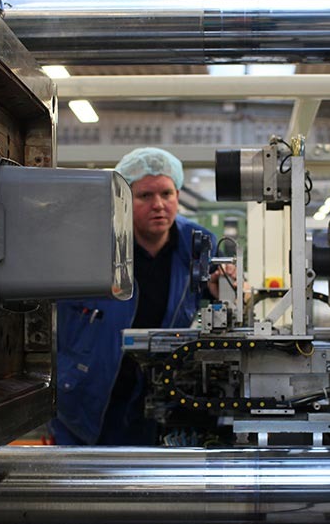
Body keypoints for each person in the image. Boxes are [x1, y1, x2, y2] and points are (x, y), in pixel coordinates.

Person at [51, 147, 217, 445]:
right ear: (123, 200)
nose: (159, 205)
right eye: (145, 196)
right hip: (87, 392)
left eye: (167, 194)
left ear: (178, 194)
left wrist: (227, 290)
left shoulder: (198, 244)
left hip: (157, 393)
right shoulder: (89, 243)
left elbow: (218, 299)